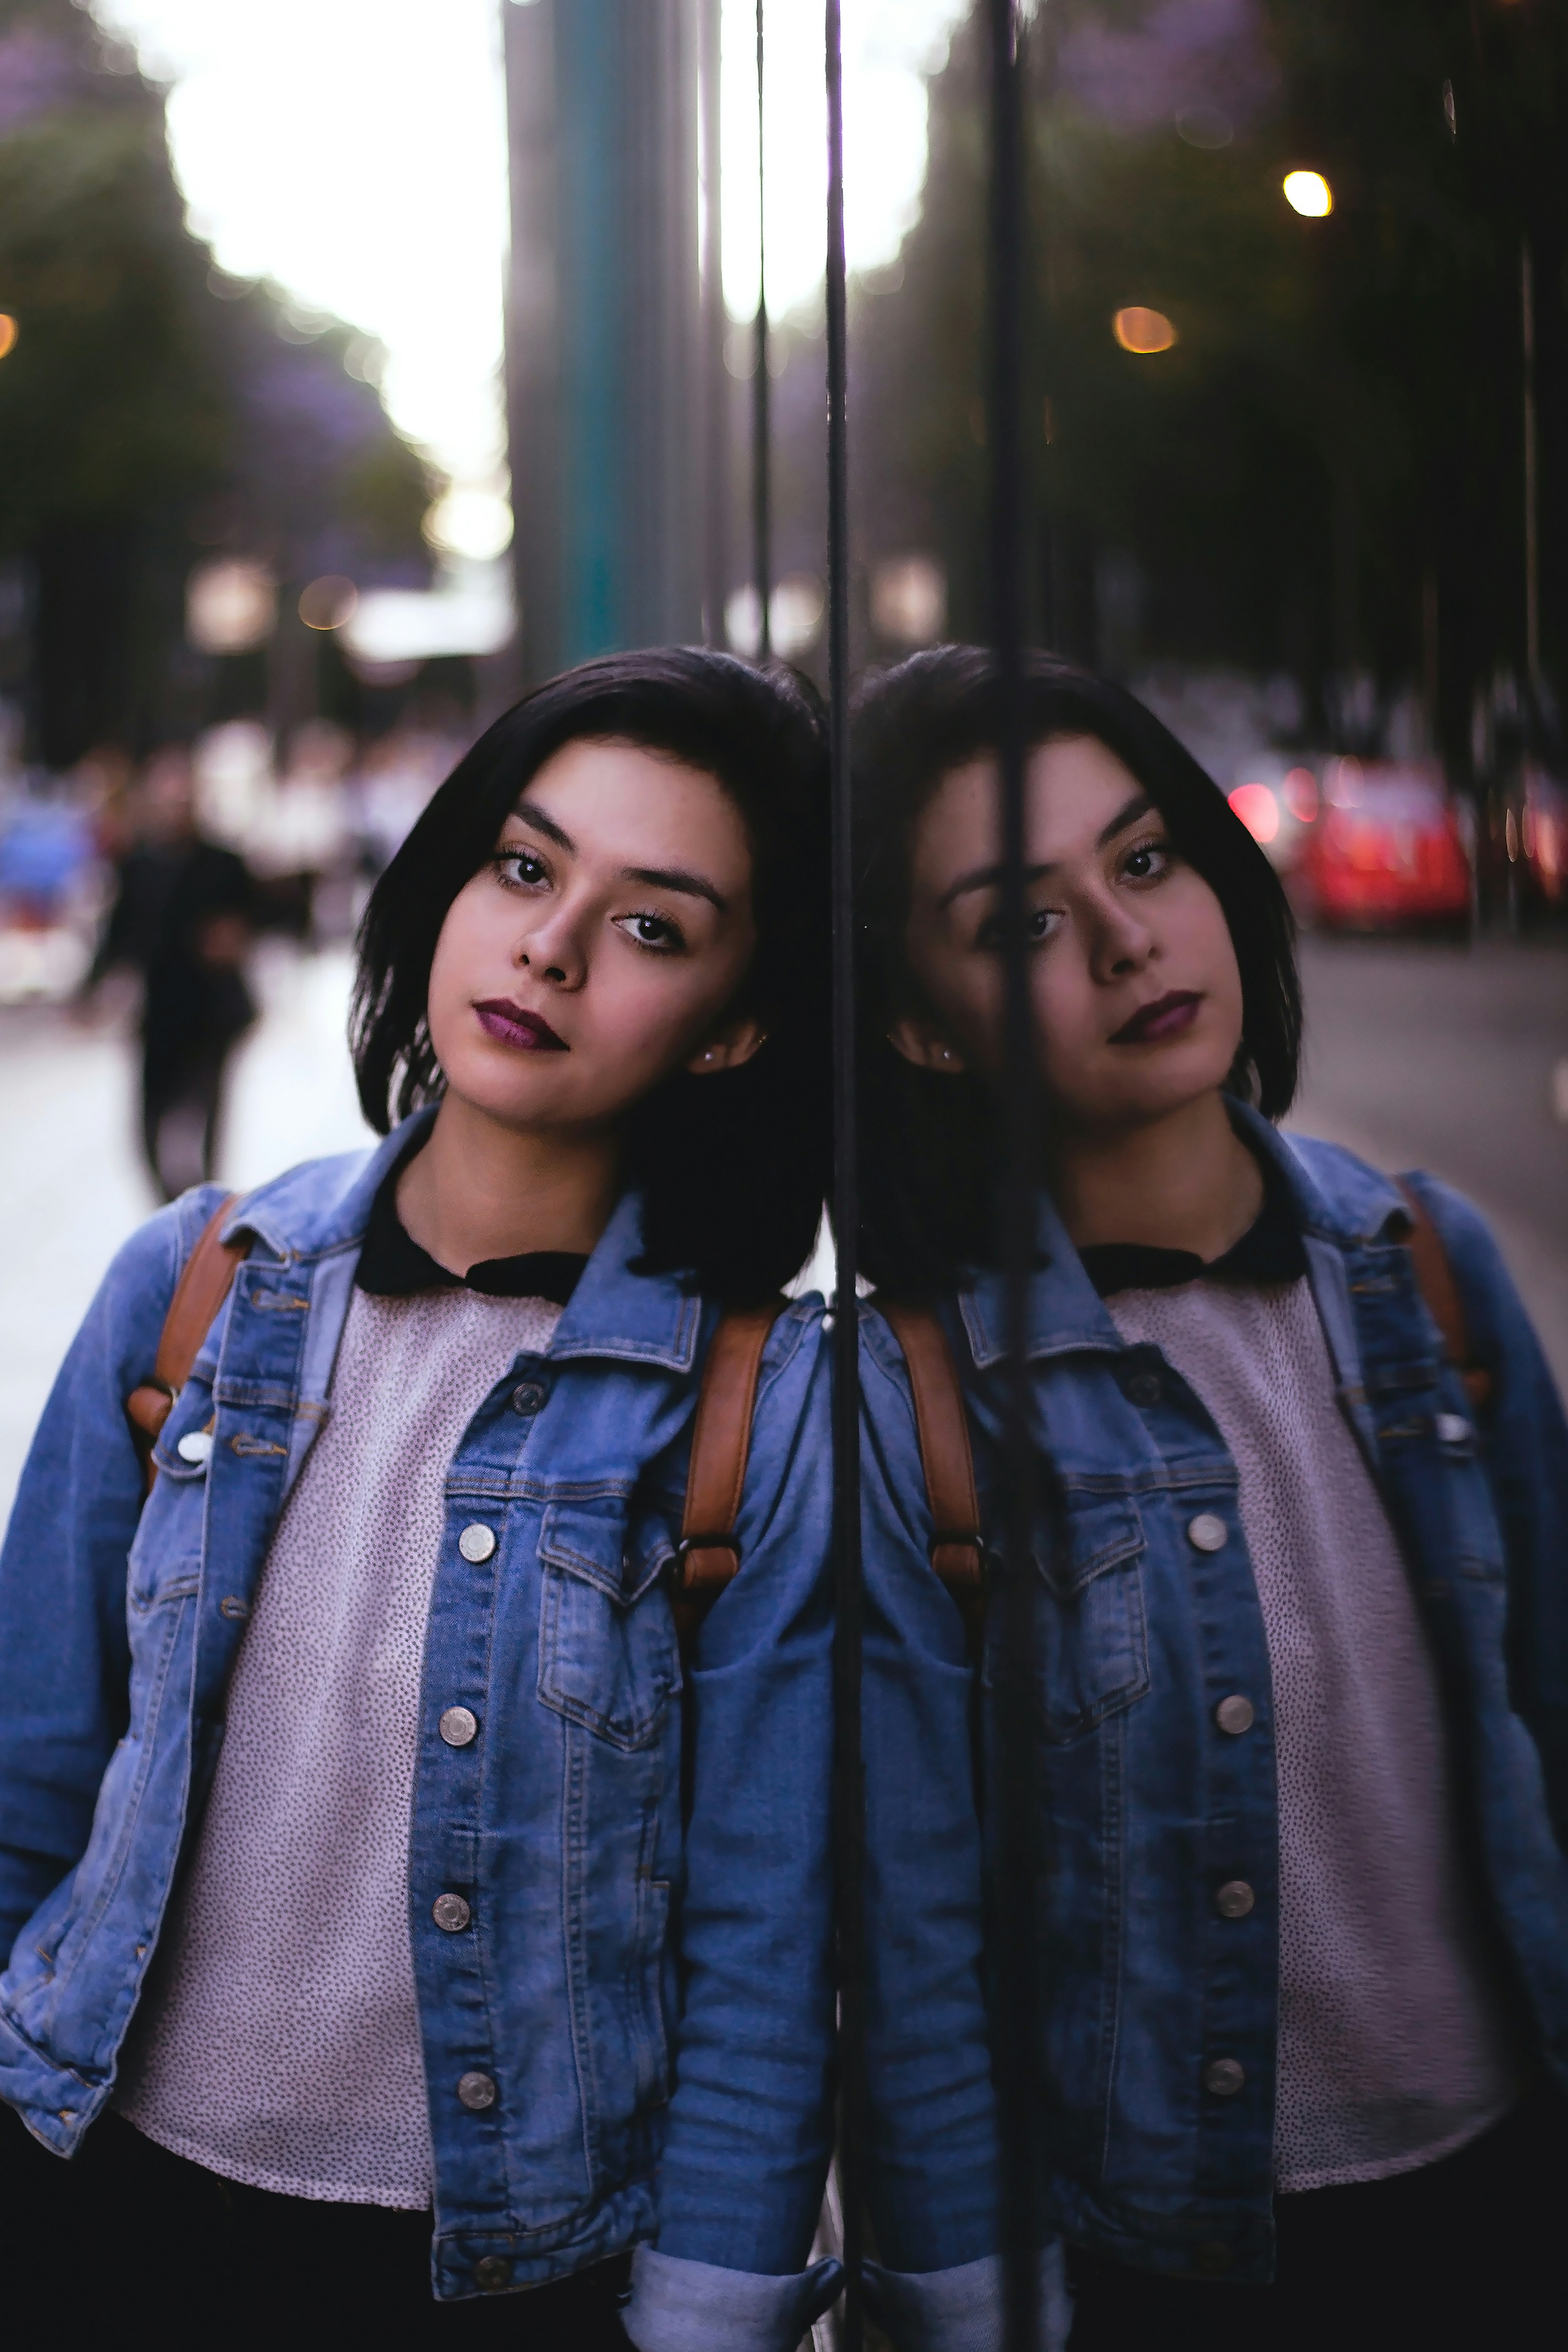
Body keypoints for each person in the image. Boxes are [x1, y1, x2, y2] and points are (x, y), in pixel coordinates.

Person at [0, 650, 842, 2347]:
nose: (551, 944)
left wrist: (711, 2310)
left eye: (654, 925)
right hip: (93, 2196)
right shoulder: (196, 1291)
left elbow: (766, 1959)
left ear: (737, 1021)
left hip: (505, 2272)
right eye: (526, 867)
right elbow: (28, 1779)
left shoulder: (762, 1405)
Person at [850, 646, 1568, 2350]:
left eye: (1149, 857)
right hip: (1151, 2256)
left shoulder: (1423, 1272)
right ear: (914, 1019)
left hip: (1502, 2188)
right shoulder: (913, 1385)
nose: (1124, 939)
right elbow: (914, 1948)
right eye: (1019, 919)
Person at [84, 743, 256, 1200]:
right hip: (160, 1011)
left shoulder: (223, 862)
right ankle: (174, 1213)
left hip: (212, 1009)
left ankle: (204, 1212)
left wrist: (237, 935)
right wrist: (91, 990)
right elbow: (118, 934)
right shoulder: (138, 865)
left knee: (203, 1121)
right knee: (147, 1126)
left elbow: (265, 914)